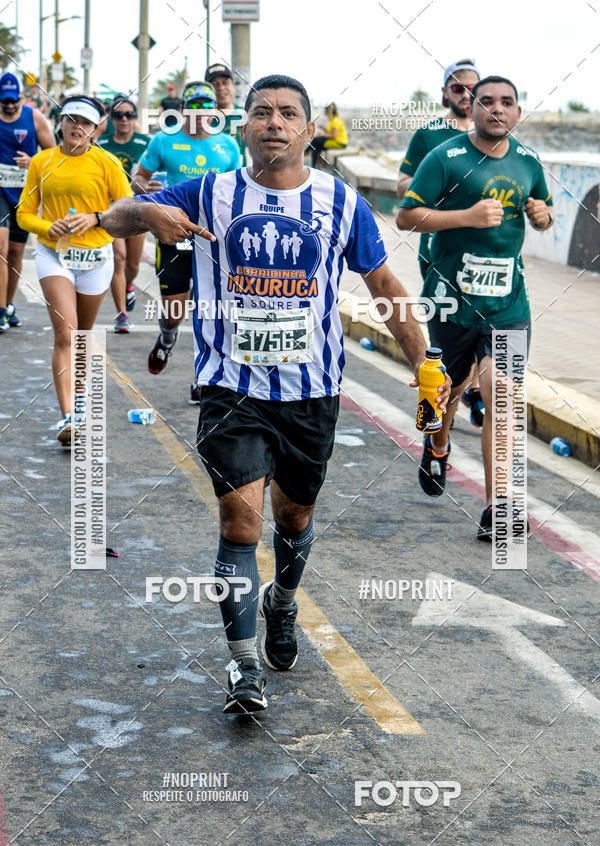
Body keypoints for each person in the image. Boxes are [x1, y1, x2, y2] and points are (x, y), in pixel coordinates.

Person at [104, 73, 451, 715]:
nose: (273, 122)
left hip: (311, 392)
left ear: (308, 130)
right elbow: (118, 215)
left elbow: (385, 285)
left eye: (288, 114)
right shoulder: (210, 192)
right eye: (261, 112)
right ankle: (241, 668)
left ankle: (282, 602)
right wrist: (145, 211)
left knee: (294, 518)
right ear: (245, 128)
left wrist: (427, 359)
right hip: (230, 388)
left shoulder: (340, 203)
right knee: (240, 521)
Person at [396, 75, 554, 540]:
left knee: (500, 395)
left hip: (508, 303)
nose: (497, 110)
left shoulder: (528, 161)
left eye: (507, 103)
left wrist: (543, 217)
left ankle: (499, 507)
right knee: (445, 390)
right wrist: (465, 217)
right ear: (473, 109)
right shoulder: (444, 158)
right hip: (450, 301)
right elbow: (407, 215)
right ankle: (437, 444)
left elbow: (541, 206)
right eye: (487, 102)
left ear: (518, 113)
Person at [17, 95, 132, 445]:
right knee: (65, 334)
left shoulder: (107, 162)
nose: (76, 127)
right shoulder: (42, 161)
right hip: (54, 255)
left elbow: (127, 209)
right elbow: (24, 213)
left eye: (85, 122)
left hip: (96, 258)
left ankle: (79, 402)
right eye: (70, 119)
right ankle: (67, 417)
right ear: (60, 122)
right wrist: (44, 227)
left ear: (96, 128)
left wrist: (96, 218)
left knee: (82, 334)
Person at [132, 80, 241, 403]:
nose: (200, 113)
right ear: (182, 111)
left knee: (209, 310)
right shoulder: (164, 141)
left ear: (215, 111)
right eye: (193, 107)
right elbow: (138, 178)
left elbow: (239, 189)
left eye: (207, 107)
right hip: (173, 234)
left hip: (212, 237)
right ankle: (167, 337)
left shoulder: (228, 146)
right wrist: (146, 192)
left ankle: (202, 378)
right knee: (175, 310)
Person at [397, 58, 485, 429]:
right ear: (445, 93)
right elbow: (403, 187)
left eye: (472, 88)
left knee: (488, 316)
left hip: (488, 250)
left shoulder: (495, 135)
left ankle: (478, 390)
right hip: (441, 248)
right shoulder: (430, 135)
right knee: (452, 331)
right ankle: (436, 422)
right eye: (457, 88)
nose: (466, 95)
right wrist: (437, 187)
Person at [0, 72, 55, 330]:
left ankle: (8, 304)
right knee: (1, 249)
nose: (9, 105)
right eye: (4, 100)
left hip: (24, 194)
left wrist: (33, 162)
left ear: (22, 96)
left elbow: (54, 155)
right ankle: (0, 309)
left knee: (15, 252)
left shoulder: (34, 117)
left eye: (13, 100)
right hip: (0, 190)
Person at [98, 97, 150, 331]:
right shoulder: (102, 143)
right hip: (112, 208)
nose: (124, 120)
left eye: (129, 115)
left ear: (135, 118)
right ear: (112, 119)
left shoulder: (145, 143)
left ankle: (128, 286)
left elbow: (155, 173)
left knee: (133, 264)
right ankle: (121, 314)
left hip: (138, 207)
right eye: (119, 115)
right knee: (118, 258)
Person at [204, 62, 248, 161]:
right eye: (215, 84)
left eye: (225, 82)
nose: (221, 88)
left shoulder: (245, 116)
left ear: (233, 85)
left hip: (238, 175)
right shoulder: (201, 118)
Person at [310, 103, 348, 168]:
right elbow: (330, 132)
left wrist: (322, 134)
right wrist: (324, 129)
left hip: (339, 143)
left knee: (316, 143)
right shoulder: (335, 120)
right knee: (316, 143)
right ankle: (316, 165)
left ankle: (314, 164)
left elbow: (334, 135)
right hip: (338, 141)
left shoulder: (335, 121)